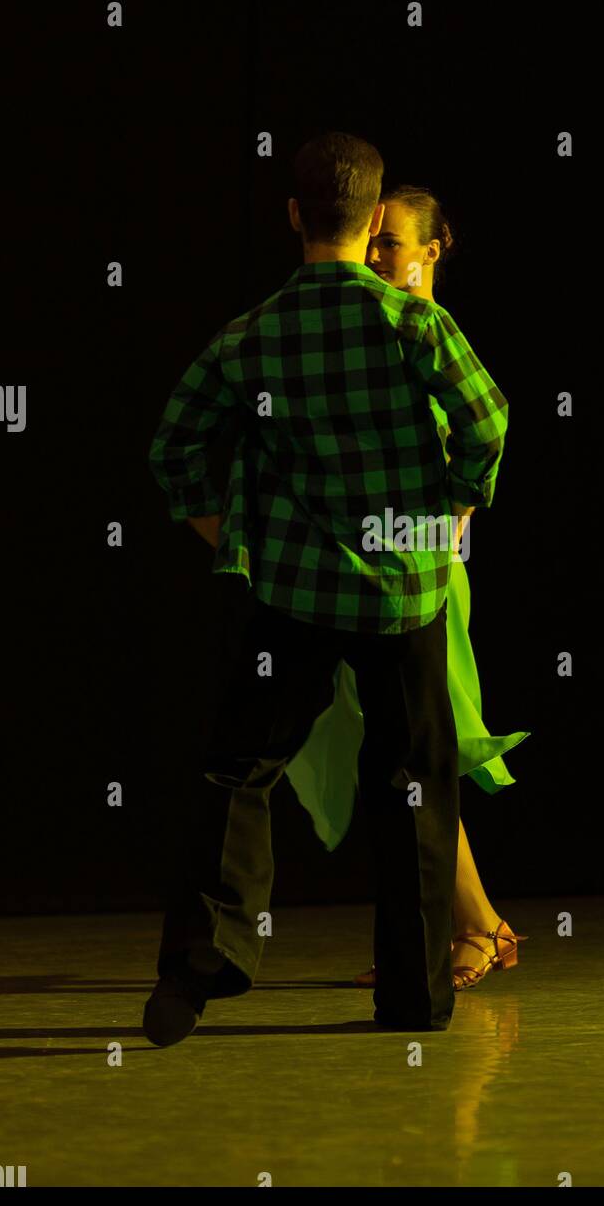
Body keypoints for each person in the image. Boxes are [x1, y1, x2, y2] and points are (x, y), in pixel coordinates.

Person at [142, 132, 509, 1045]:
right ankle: (415, 1001)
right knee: (414, 787)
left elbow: (173, 447)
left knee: (236, 769)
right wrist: (456, 501)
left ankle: (204, 961)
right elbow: (487, 420)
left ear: (296, 216)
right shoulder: (413, 324)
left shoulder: (252, 335)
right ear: (378, 219)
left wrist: (222, 529)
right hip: (405, 598)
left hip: (294, 598)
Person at [283, 186, 529, 990]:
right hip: (369, 573)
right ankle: (465, 925)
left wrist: (454, 511)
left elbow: (482, 425)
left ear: (430, 253)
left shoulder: (425, 330)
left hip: (421, 573)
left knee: (424, 747)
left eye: (392, 245)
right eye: (373, 241)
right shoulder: (373, 331)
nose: (376, 256)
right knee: (403, 747)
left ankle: (479, 925)